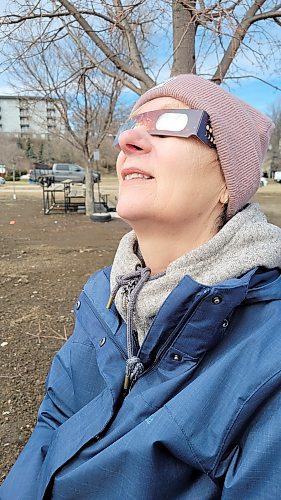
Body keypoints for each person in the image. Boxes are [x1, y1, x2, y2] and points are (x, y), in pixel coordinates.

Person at [1, 74, 281, 500]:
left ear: (230, 179)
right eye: (131, 126)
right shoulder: (104, 296)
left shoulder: (270, 348)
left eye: (169, 122)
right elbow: (54, 421)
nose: (128, 140)